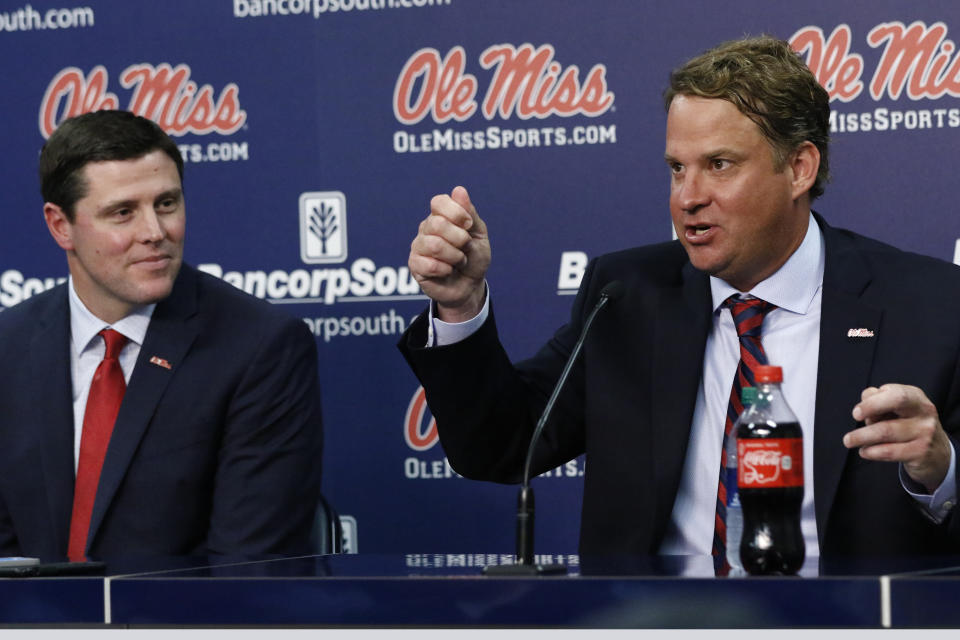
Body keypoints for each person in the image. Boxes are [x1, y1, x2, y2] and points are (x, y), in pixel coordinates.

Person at [399, 36, 960, 560]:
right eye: (676, 169)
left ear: (798, 168)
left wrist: (942, 469)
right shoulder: (625, 296)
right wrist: (459, 304)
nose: (688, 199)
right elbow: (500, 445)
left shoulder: (929, 305)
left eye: (719, 165)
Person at [0, 110, 324, 562]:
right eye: (123, 212)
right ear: (61, 226)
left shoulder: (260, 348)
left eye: (167, 204)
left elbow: (249, 571)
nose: (155, 232)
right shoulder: (8, 348)